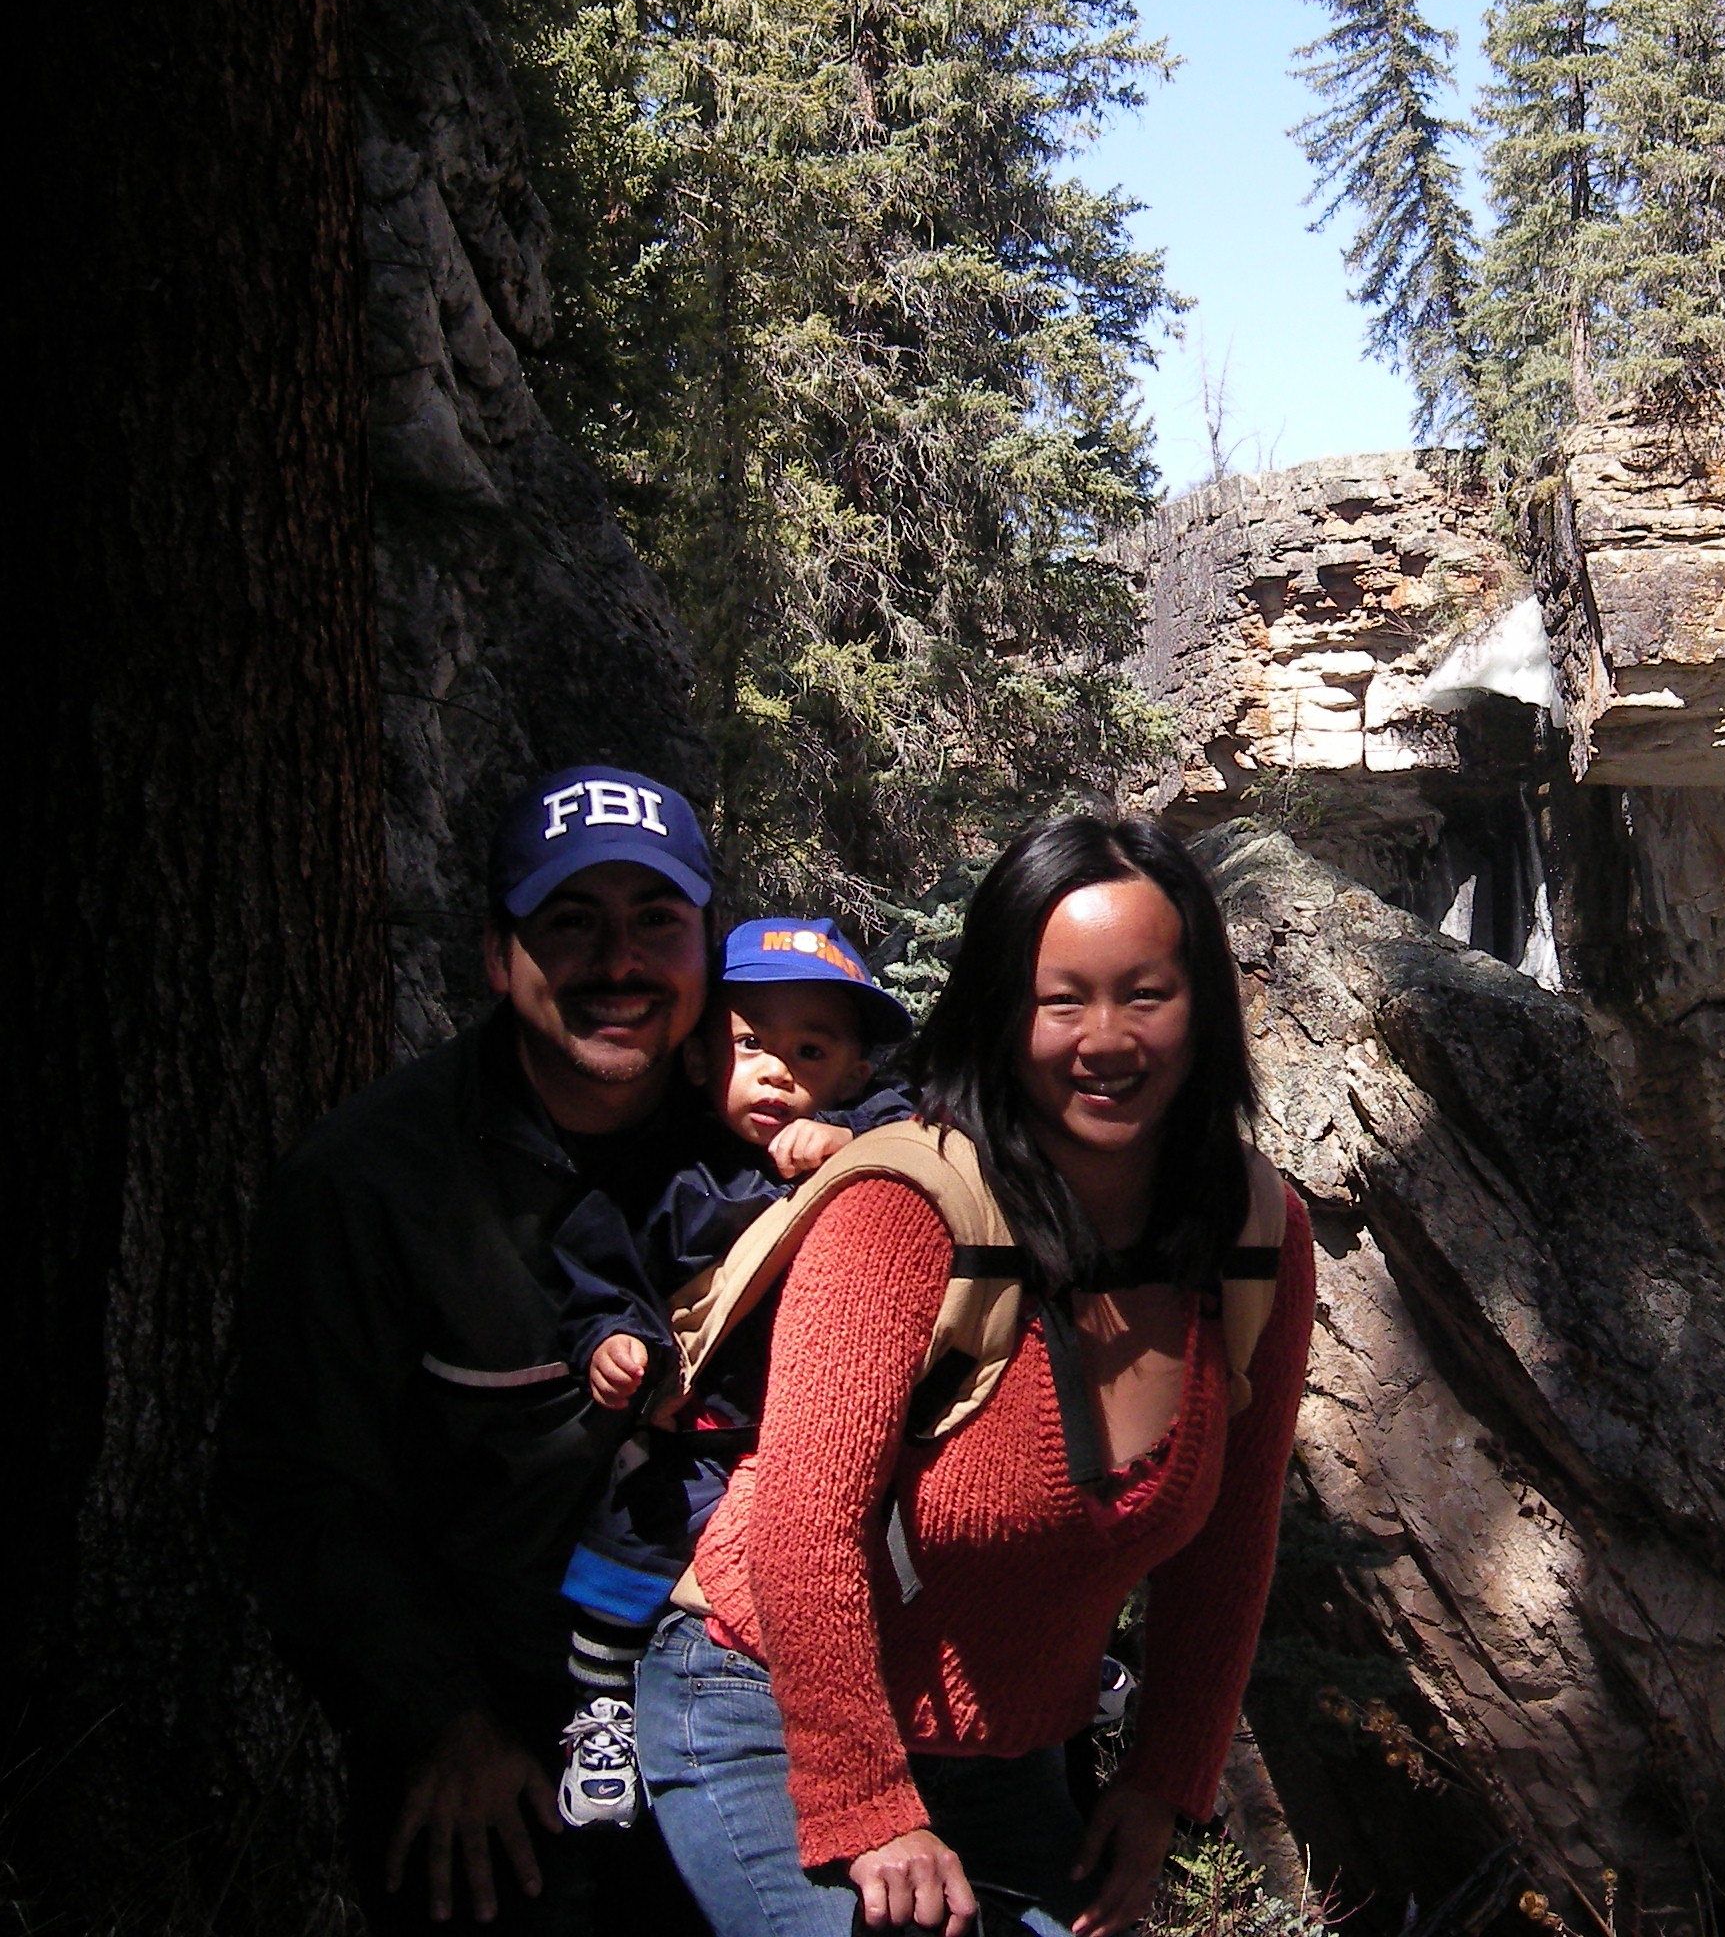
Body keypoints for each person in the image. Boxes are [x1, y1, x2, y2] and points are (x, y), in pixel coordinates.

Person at [637, 815, 1315, 1937]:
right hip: (767, 1705)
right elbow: (803, 1528)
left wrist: (1164, 1777)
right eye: (1061, 1001)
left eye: (1146, 994)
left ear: (1204, 1010)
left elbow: (1232, 1540)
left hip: (1004, 1753)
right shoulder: (902, 1209)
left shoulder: (1252, 1236)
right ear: (1000, 1014)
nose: (1106, 1040)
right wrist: (866, 1803)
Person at [224, 765, 746, 1933]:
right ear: (496, 958)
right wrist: (439, 1721)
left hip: (742, 1721)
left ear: (706, 947)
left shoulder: (768, 1142)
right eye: (571, 922)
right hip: (497, 1751)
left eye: (655, 921)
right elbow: (302, 1485)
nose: (618, 962)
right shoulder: (371, 1185)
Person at [549, 918, 917, 1830]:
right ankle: (599, 1708)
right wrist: (610, 1340)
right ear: (698, 1056)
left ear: (853, 1073)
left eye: (810, 1051)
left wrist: (846, 1140)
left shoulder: (872, 1139)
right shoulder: (668, 1172)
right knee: (630, 1541)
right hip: (699, 1431)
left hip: (825, 1436)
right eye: (751, 1045)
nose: (778, 1072)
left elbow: (926, 1130)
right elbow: (600, 1268)